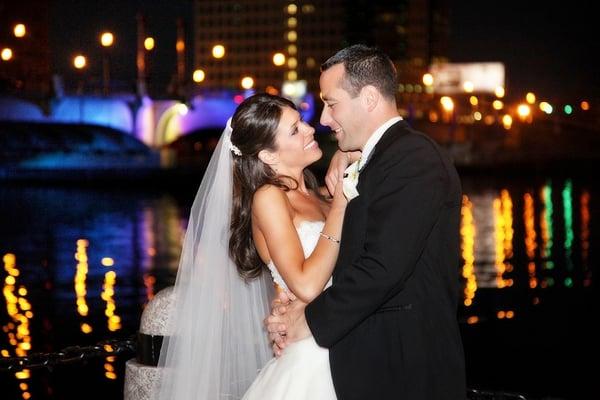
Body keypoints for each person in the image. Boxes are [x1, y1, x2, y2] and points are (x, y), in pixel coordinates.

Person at [267, 44, 467, 399]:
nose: (324, 119)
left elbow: (384, 266)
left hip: (405, 368)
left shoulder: (413, 157)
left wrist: (309, 319)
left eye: (331, 104)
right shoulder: (377, 158)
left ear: (370, 98)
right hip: (373, 363)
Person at [156, 93, 345, 400]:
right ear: (268, 155)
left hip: (339, 337)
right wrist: (340, 209)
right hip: (312, 356)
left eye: (302, 122)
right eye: (295, 129)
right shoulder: (269, 197)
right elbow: (306, 284)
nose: (310, 130)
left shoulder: (318, 192)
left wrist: (343, 156)